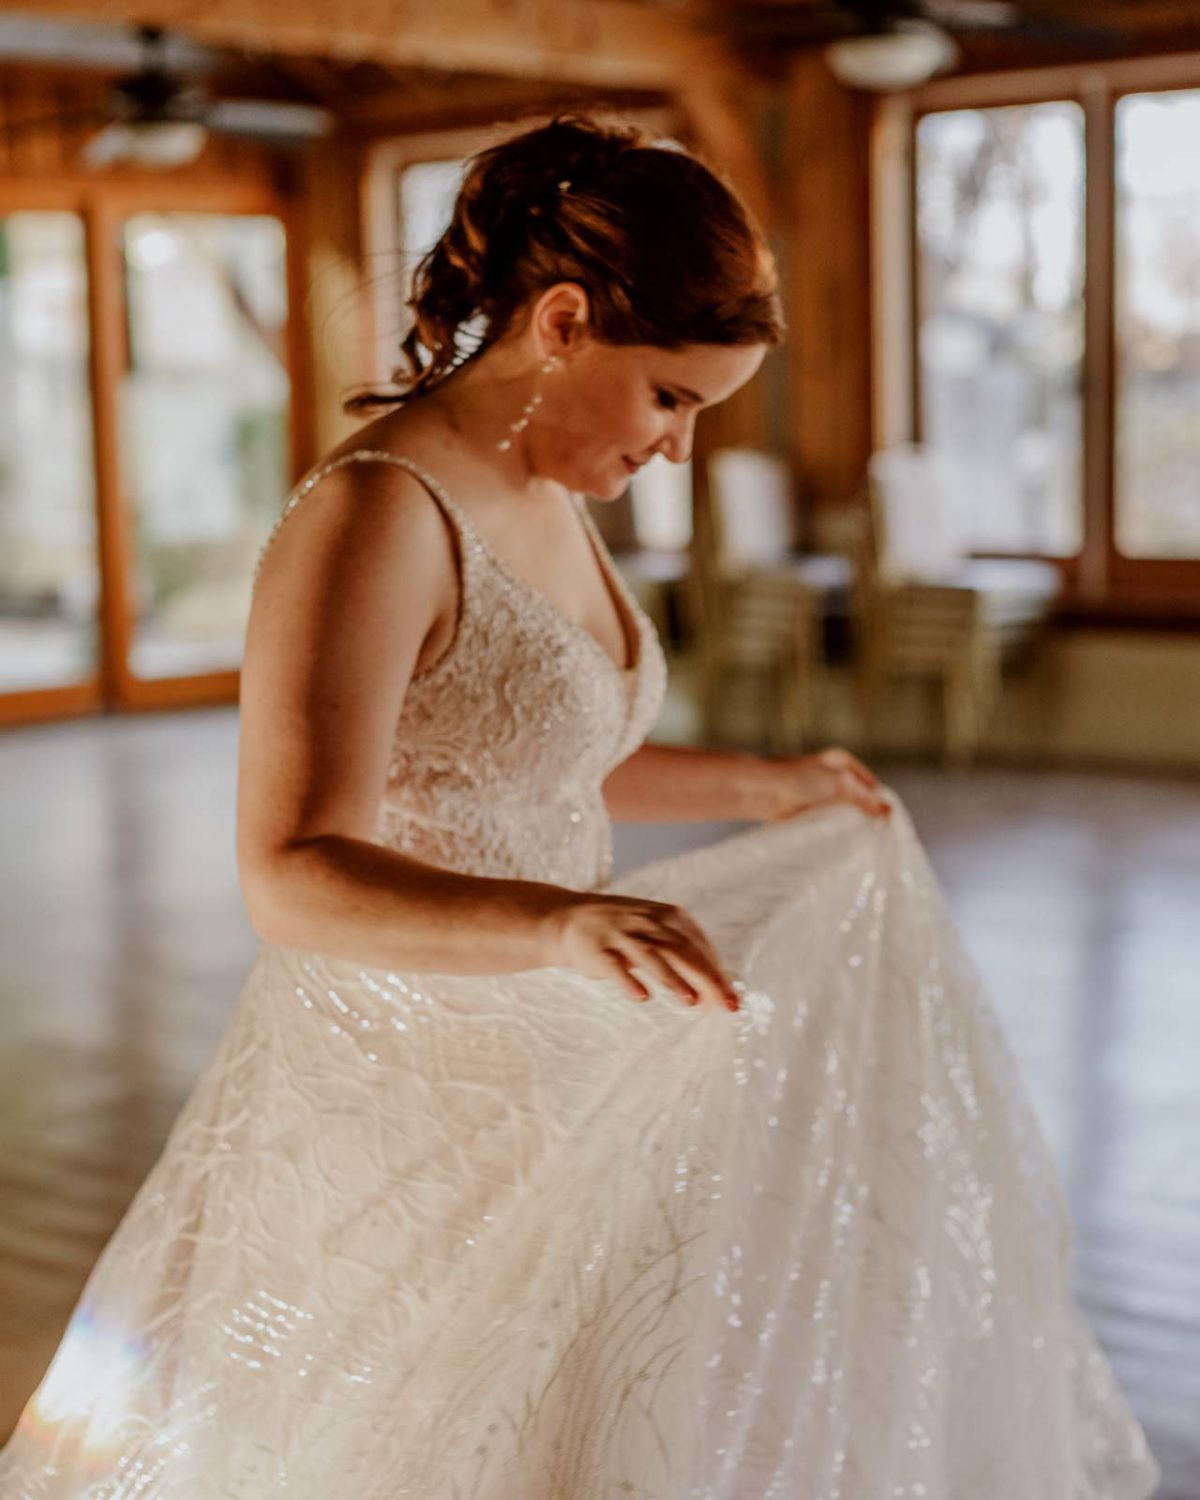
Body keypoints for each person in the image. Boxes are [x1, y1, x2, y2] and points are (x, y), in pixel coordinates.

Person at [0, 112, 1158, 1500]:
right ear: (560, 320)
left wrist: (764, 786)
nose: (673, 449)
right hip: (410, 1078)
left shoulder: (550, 485)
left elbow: (536, 761)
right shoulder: (379, 514)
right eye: (670, 397)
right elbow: (291, 868)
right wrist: (558, 926)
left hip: (556, 1058)